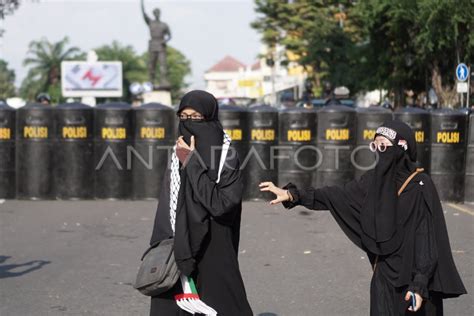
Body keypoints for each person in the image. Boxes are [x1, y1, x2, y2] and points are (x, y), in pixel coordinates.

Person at [260, 120, 466, 315]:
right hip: (383, 275)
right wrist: (292, 195)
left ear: (401, 149)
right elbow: (335, 196)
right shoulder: (372, 182)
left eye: (384, 146)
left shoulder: (420, 186)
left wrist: (420, 284)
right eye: (375, 147)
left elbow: (427, 239)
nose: (379, 152)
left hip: (414, 280)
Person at [149, 90, 253, 316]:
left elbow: (220, 205)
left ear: (210, 118)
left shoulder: (227, 156)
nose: (189, 123)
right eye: (183, 117)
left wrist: (191, 162)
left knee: (224, 304)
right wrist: (164, 240)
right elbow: (169, 201)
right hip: (178, 240)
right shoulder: (177, 150)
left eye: (196, 118)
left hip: (214, 241)